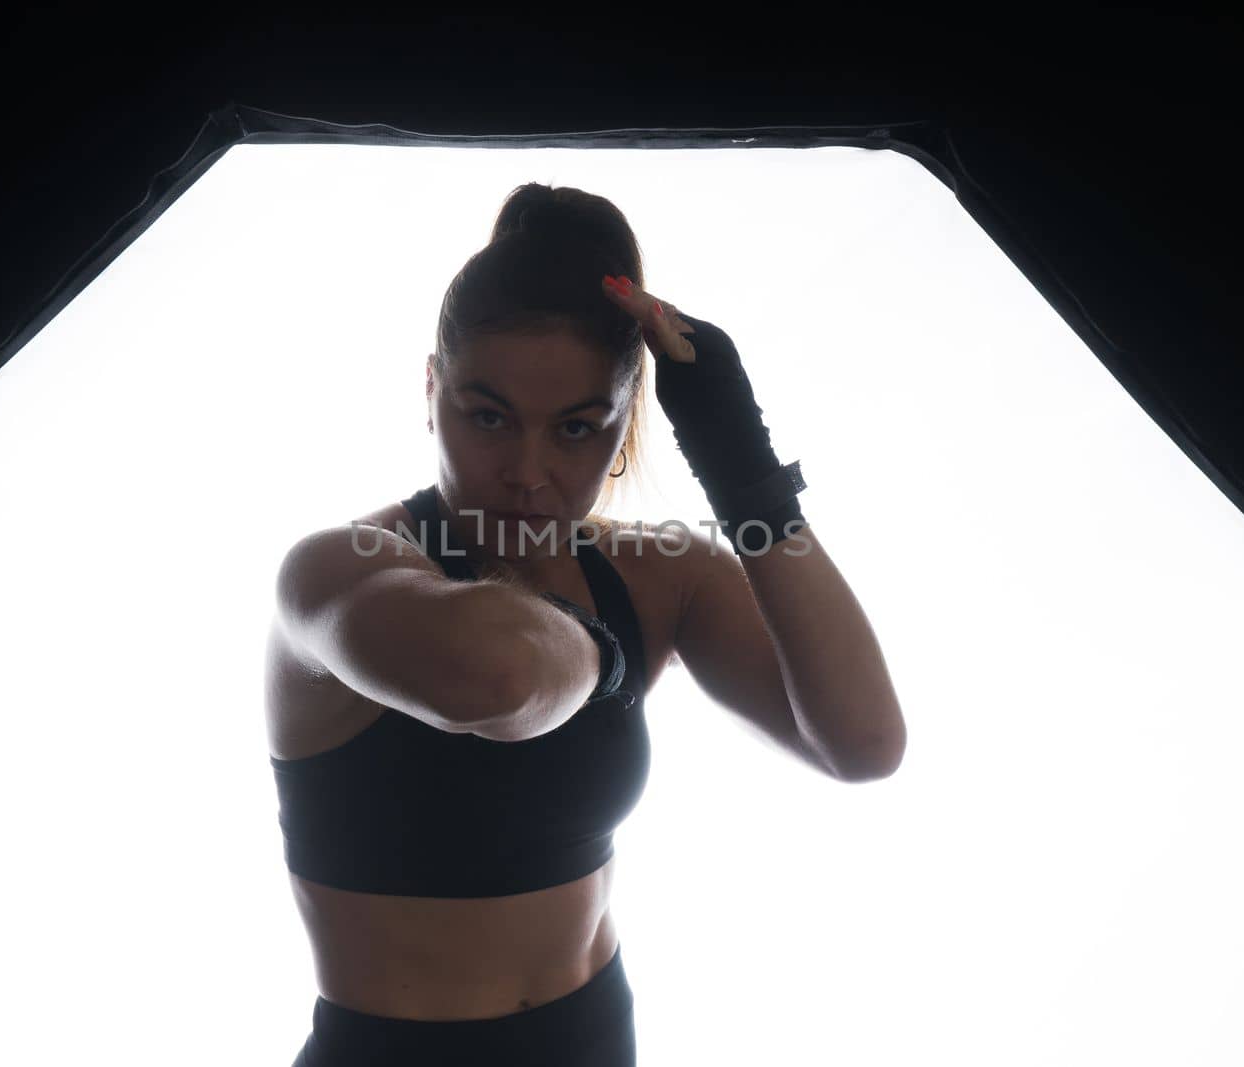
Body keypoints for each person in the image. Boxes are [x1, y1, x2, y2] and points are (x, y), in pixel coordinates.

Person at [266, 182, 905, 1065]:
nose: (527, 473)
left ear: (622, 425)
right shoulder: (341, 571)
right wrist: (610, 659)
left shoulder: (654, 575)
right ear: (430, 390)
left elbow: (863, 742)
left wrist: (745, 474)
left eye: (575, 428)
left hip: (593, 1035)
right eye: (488, 416)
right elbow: (498, 680)